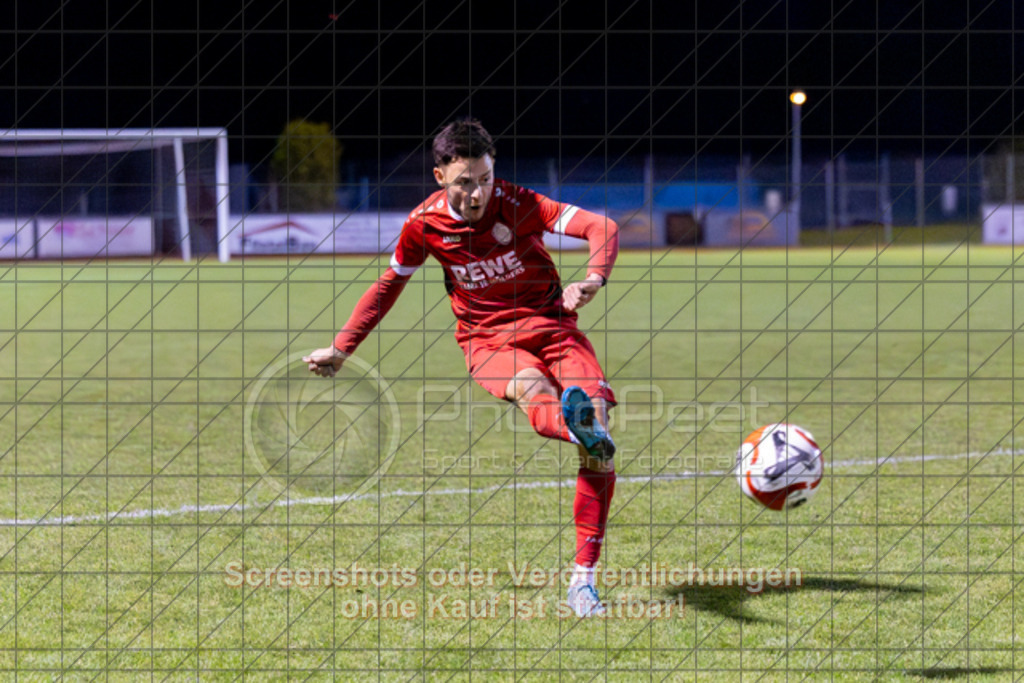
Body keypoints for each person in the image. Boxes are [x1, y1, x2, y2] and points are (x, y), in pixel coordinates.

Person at [303, 119, 619, 617]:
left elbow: (602, 227)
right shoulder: (423, 225)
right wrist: (343, 347)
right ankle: (575, 426)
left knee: (601, 442)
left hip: (553, 325)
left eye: (486, 178)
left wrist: (593, 278)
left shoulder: (521, 204)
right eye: (464, 182)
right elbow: (388, 285)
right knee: (533, 390)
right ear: (439, 177)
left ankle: (582, 581)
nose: (477, 193)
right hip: (488, 339)